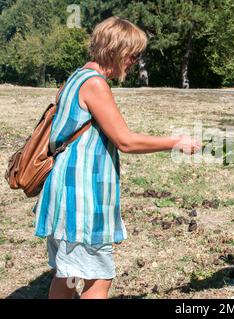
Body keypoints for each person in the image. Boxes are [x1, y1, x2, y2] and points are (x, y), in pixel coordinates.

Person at [32, 16, 201, 299]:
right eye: (132, 53)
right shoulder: (95, 84)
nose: (134, 60)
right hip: (82, 199)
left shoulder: (77, 76)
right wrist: (176, 142)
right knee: (99, 280)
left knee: (69, 275)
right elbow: (125, 140)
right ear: (114, 49)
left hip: (64, 192)